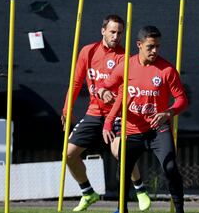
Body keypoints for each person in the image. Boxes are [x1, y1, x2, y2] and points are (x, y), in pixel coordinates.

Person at [61, 15, 150, 212]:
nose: (116, 36)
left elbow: (128, 90)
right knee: (68, 154)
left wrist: (115, 97)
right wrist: (67, 108)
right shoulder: (88, 51)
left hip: (118, 113)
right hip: (94, 111)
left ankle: (140, 190)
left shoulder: (126, 57)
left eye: (120, 33)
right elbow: (75, 83)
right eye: (112, 31)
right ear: (103, 31)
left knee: (120, 151)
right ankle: (88, 192)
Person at [102, 26, 188, 213]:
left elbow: (182, 100)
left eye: (158, 46)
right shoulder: (126, 66)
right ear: (139, 45)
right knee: (123, 172)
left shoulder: (167, 69)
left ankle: (180, 210)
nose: (155, 51)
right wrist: (104, 93)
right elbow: (105, 86)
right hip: (132, 129)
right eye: (150, 47)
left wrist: (169, 113)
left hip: (159, 129)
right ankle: (121, 209)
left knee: (171, 168)